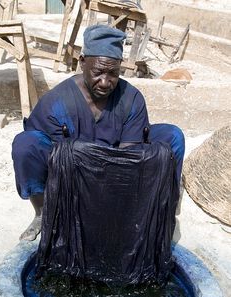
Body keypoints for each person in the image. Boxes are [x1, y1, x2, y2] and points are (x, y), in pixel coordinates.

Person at [12, 24, 185, 242]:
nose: (105, 82)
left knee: (172, 136)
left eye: (113, 73)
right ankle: (42, 212)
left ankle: (164, 211)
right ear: (82, 62)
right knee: (25, 144)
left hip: (117, 166)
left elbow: (129, 159)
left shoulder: (130, 99)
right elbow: (49, 156)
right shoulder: (57, 101)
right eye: (98, 72)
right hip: (72, 171)